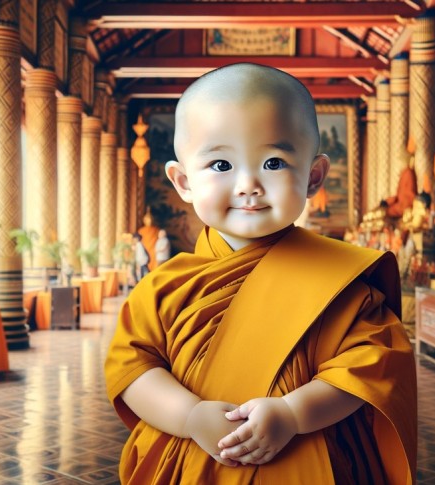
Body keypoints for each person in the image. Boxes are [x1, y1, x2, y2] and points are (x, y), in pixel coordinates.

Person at [104, 63, 416, 484]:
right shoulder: (163, 286)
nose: (248, 183)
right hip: (194, 460)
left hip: (311, 458)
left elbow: (372, 365)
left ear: (313, 176)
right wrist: (190, 415)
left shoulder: (343, 281)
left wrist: (294, 412)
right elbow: (132, 369)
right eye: (220, 165)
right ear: (183, 181)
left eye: (273, 162)